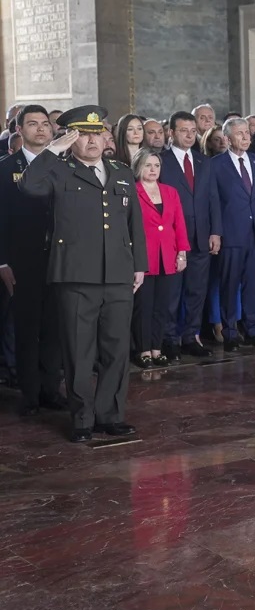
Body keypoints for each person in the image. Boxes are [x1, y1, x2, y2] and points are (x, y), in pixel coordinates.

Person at [21, 106, 150, 443]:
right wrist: (53, 149)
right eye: (83, 134)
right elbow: (30, 187)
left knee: (116, 350)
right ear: (71, 137)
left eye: (97, 133)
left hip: (119, 274)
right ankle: (81, 419)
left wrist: (139, 264)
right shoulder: (58, 171)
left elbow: (134, 222)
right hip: (76, 276)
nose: (92, 140)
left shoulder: (121, 172)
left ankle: (110, 415)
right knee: (79, 352)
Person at [0, 105, 65, 416]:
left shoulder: (64, 166)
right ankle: (30, 395)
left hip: (60, 259)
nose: (41, 129)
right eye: (32, 124)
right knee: (27, 328)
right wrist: (2, 263)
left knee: (54, 328)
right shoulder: (5, 168)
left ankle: (51, 390)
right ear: (19, 131)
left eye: (45, 124)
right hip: (21, 261)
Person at [158, 112, 222, 360]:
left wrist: (216, 231)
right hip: (173, 238)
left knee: (197, 290)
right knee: (173, 292)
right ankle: (170, 339)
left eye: (192, 130)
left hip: (202, 236)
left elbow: (213, 199)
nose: (189, 135)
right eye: (183, 130)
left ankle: (191, 336)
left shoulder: (204, 161)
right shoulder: (161, 161)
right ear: (171, 133)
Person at [211, 118, 255, 352]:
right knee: (229, 285)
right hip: (231, 234)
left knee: (253, 285)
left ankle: (253, 330)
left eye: (247, 133)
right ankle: (230, 332)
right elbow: (214, 202)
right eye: (240, 134)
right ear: (227, 139)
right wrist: (216, 232)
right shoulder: (215, 165)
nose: (246, 137)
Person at [131, 150, 189, 369]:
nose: (153, 170)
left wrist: (182, 252)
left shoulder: (170, 192)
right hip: (143, 258)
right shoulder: (132, 191)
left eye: (156, 165)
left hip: (168, 256)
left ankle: (157, 349)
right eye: (148, 165)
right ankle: (143, 350)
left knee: (162, 307)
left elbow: (179, 225)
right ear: (138, 167)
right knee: (143, 307)